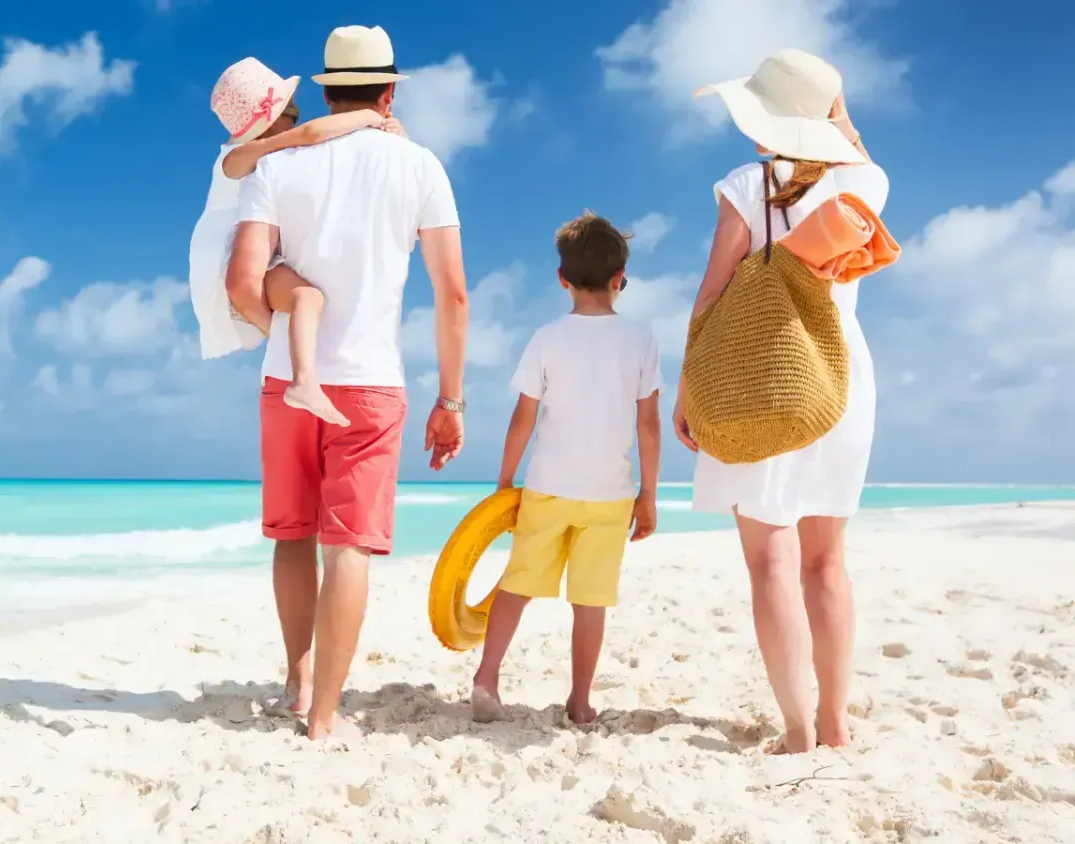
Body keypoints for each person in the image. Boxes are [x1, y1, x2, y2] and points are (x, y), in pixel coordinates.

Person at [225, 24, 469, 741]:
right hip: (369, 384)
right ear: (389, 92)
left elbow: (245, 281)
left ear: (327, 91)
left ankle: (297, 682)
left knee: (292, 535)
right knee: (349, 548)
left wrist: (281, 338)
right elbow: (452, 295)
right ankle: (326, 717)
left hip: (286, 381)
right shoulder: (420, 166)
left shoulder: (277, 166)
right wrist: (450, 399)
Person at [674, 49, 888, 753]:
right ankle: (835, 720)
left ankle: (797, 730)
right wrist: (838, 117)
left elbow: (713, 292)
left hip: (757, 374)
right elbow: (852, 153)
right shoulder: (867, 183)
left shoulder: (746, 183)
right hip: (837, 378)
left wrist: (688, 384)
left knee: (771, 562)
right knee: (827, 563)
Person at [469, 213, 662, 725]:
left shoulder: (547, 337)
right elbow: (649, 425)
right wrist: (649, 494)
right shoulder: (641, 339)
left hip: (548, 487)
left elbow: (522, 420)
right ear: (621, 278)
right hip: (610, 494)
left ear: (562, 279)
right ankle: (579, 701)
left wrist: (504, 484)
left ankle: (487, 678)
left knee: (518, 583)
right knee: (590, 600)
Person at [190, 57, 406, 427]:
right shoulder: (232, 159)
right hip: (225, 257)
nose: (297, 117)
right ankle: (304, 379)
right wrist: (371, 118)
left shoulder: (266, 156)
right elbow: (309, 136)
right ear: (269, 119)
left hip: (242, 251)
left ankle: (303, 377)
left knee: (301, 302)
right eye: (291, 109)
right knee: (306, 299)